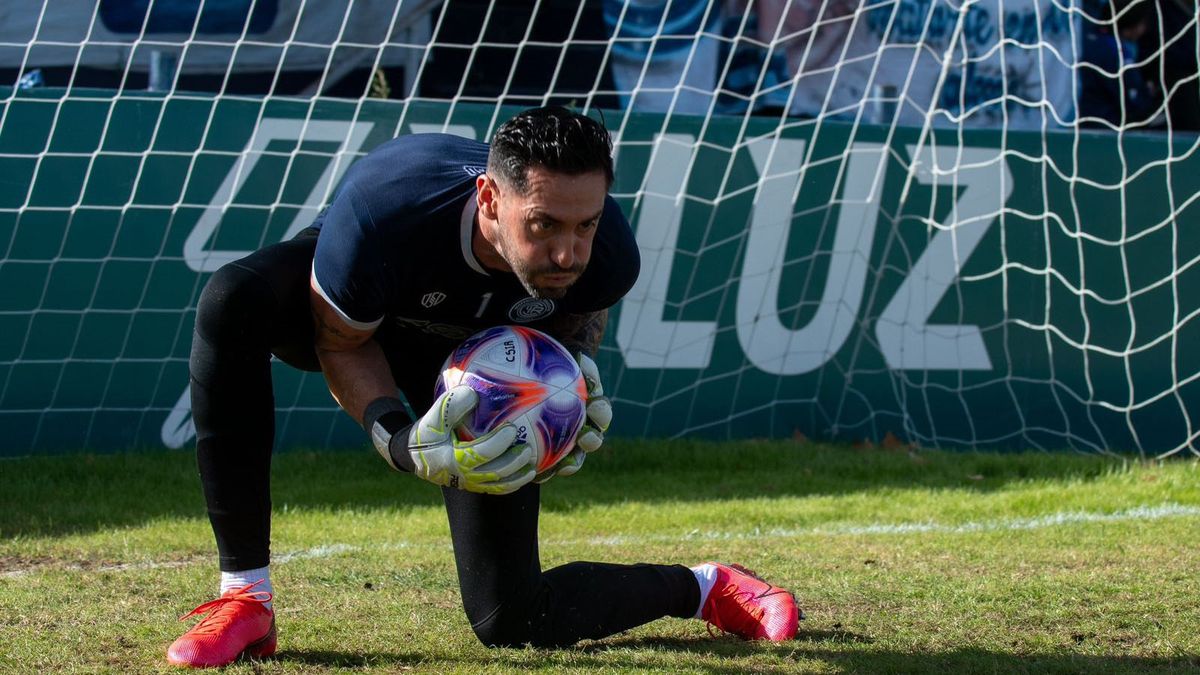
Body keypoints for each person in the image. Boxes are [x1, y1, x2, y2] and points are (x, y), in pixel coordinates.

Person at [166, 106, 800, 668]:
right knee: (233, 299)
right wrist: (396, 439)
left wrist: (570, 394)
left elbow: (575, 324)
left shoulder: (605, 256)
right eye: (546, 224)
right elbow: (343, 342)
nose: (567, 253)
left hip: (481, 360)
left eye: (586, 225)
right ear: (491, 199)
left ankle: (703, 587)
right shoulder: (384, 217)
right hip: (361, 317)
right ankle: (245, 599)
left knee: (512, 620)